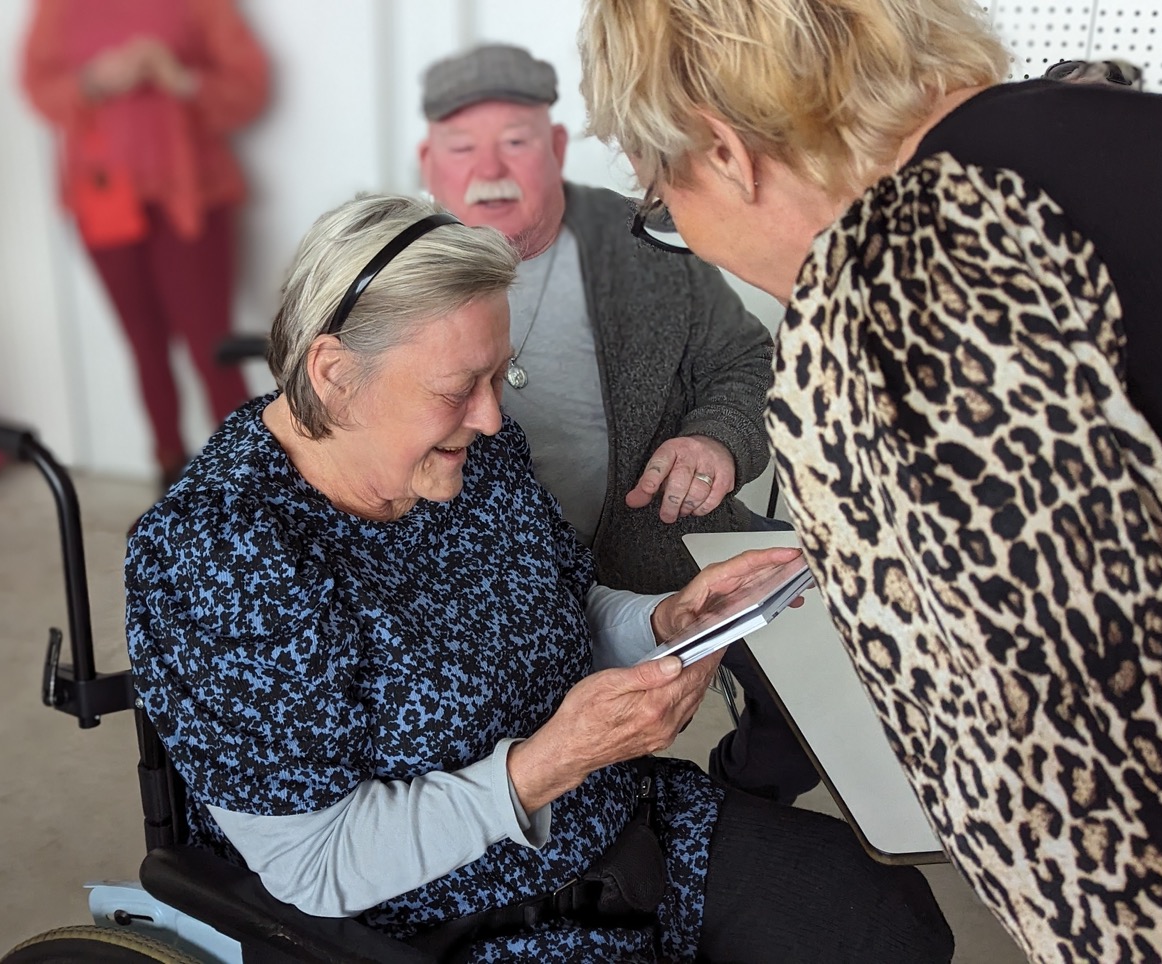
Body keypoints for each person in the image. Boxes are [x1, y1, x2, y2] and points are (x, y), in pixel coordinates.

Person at [125, 194, 954, 963]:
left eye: (497, 375)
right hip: (444, 916)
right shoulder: (220, 559)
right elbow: (311, 864)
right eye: (459, 389)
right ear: (335, 374)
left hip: (613, 820)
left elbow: (561, 606)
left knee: (893, 922)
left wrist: (664, 620)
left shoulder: (468, 457)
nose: (491, 416)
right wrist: (541, 767)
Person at [578, 1, 1162, 960]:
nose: (685, 235)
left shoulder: (893, 286)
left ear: (725, 150)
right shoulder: (1104, 129)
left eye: (664, 201)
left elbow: (1105, 805)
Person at [418, 43, 819, 803]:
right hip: (493, 583)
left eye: (516, 142)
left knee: (812, 667)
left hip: (658, 547)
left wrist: (717, 439)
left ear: (557, 148)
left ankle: (737, 809)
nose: (490, 168)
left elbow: (747, 363)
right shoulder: (398, 272)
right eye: (463, 147)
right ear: (430, 162)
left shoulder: (648, 239)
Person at [21, 0, 269, 490]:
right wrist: (93, 81)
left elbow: (250, 89)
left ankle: (251, 484)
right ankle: (170, 471)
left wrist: (178, 78)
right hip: (101, 200)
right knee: (144, 344)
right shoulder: (56, 7)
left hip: (190, 196)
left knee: (212, 347)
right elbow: (38, 88)